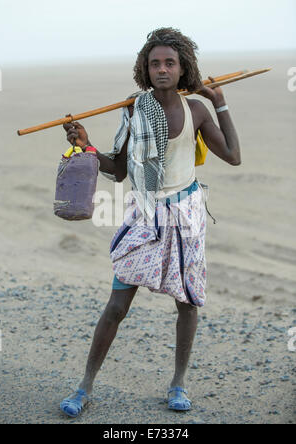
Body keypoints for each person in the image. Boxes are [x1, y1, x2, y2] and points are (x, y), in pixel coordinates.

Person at [60, 27, 241, 418]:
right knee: (116, 306)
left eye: (169, 63)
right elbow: (120, 170)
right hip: (145, 215)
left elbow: (233, 156)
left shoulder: (196, 110)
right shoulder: (133, 110)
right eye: (154, 63)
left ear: (182, 69)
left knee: (187, 304)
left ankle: (178, 385)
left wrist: (220, 103)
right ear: (145, 68)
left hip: (186, 216)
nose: (161, 69)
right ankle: (84, 387)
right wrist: (88, 146)